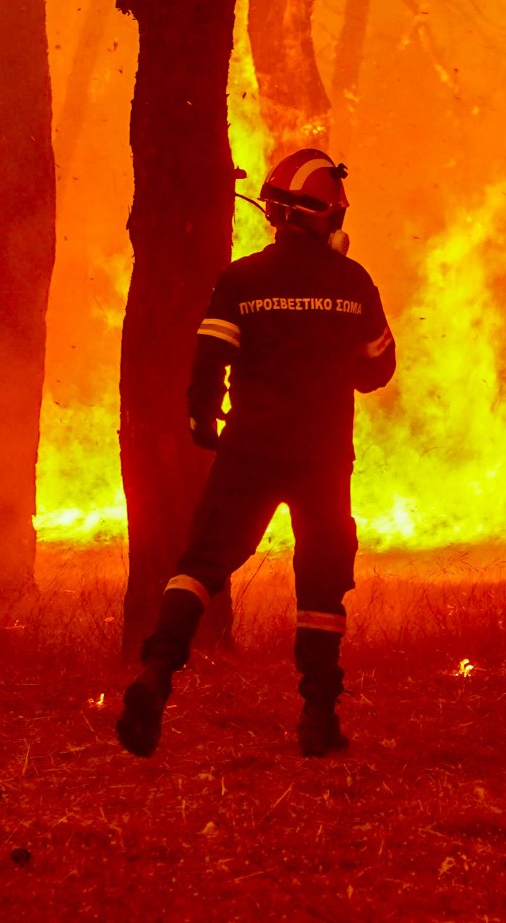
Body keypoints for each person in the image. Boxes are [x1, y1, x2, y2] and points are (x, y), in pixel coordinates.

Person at [117, 149, 397, 759]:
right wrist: (331, 354)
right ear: (327, 216)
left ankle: (155, 676)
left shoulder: (241, 280)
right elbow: (380, 371)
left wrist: (201, 416)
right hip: (322, 456)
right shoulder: (353, 283)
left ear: (274, 212)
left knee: (203, 562)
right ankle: (319, 718)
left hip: (251, 446)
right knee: (321, 582)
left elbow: (210, 357)